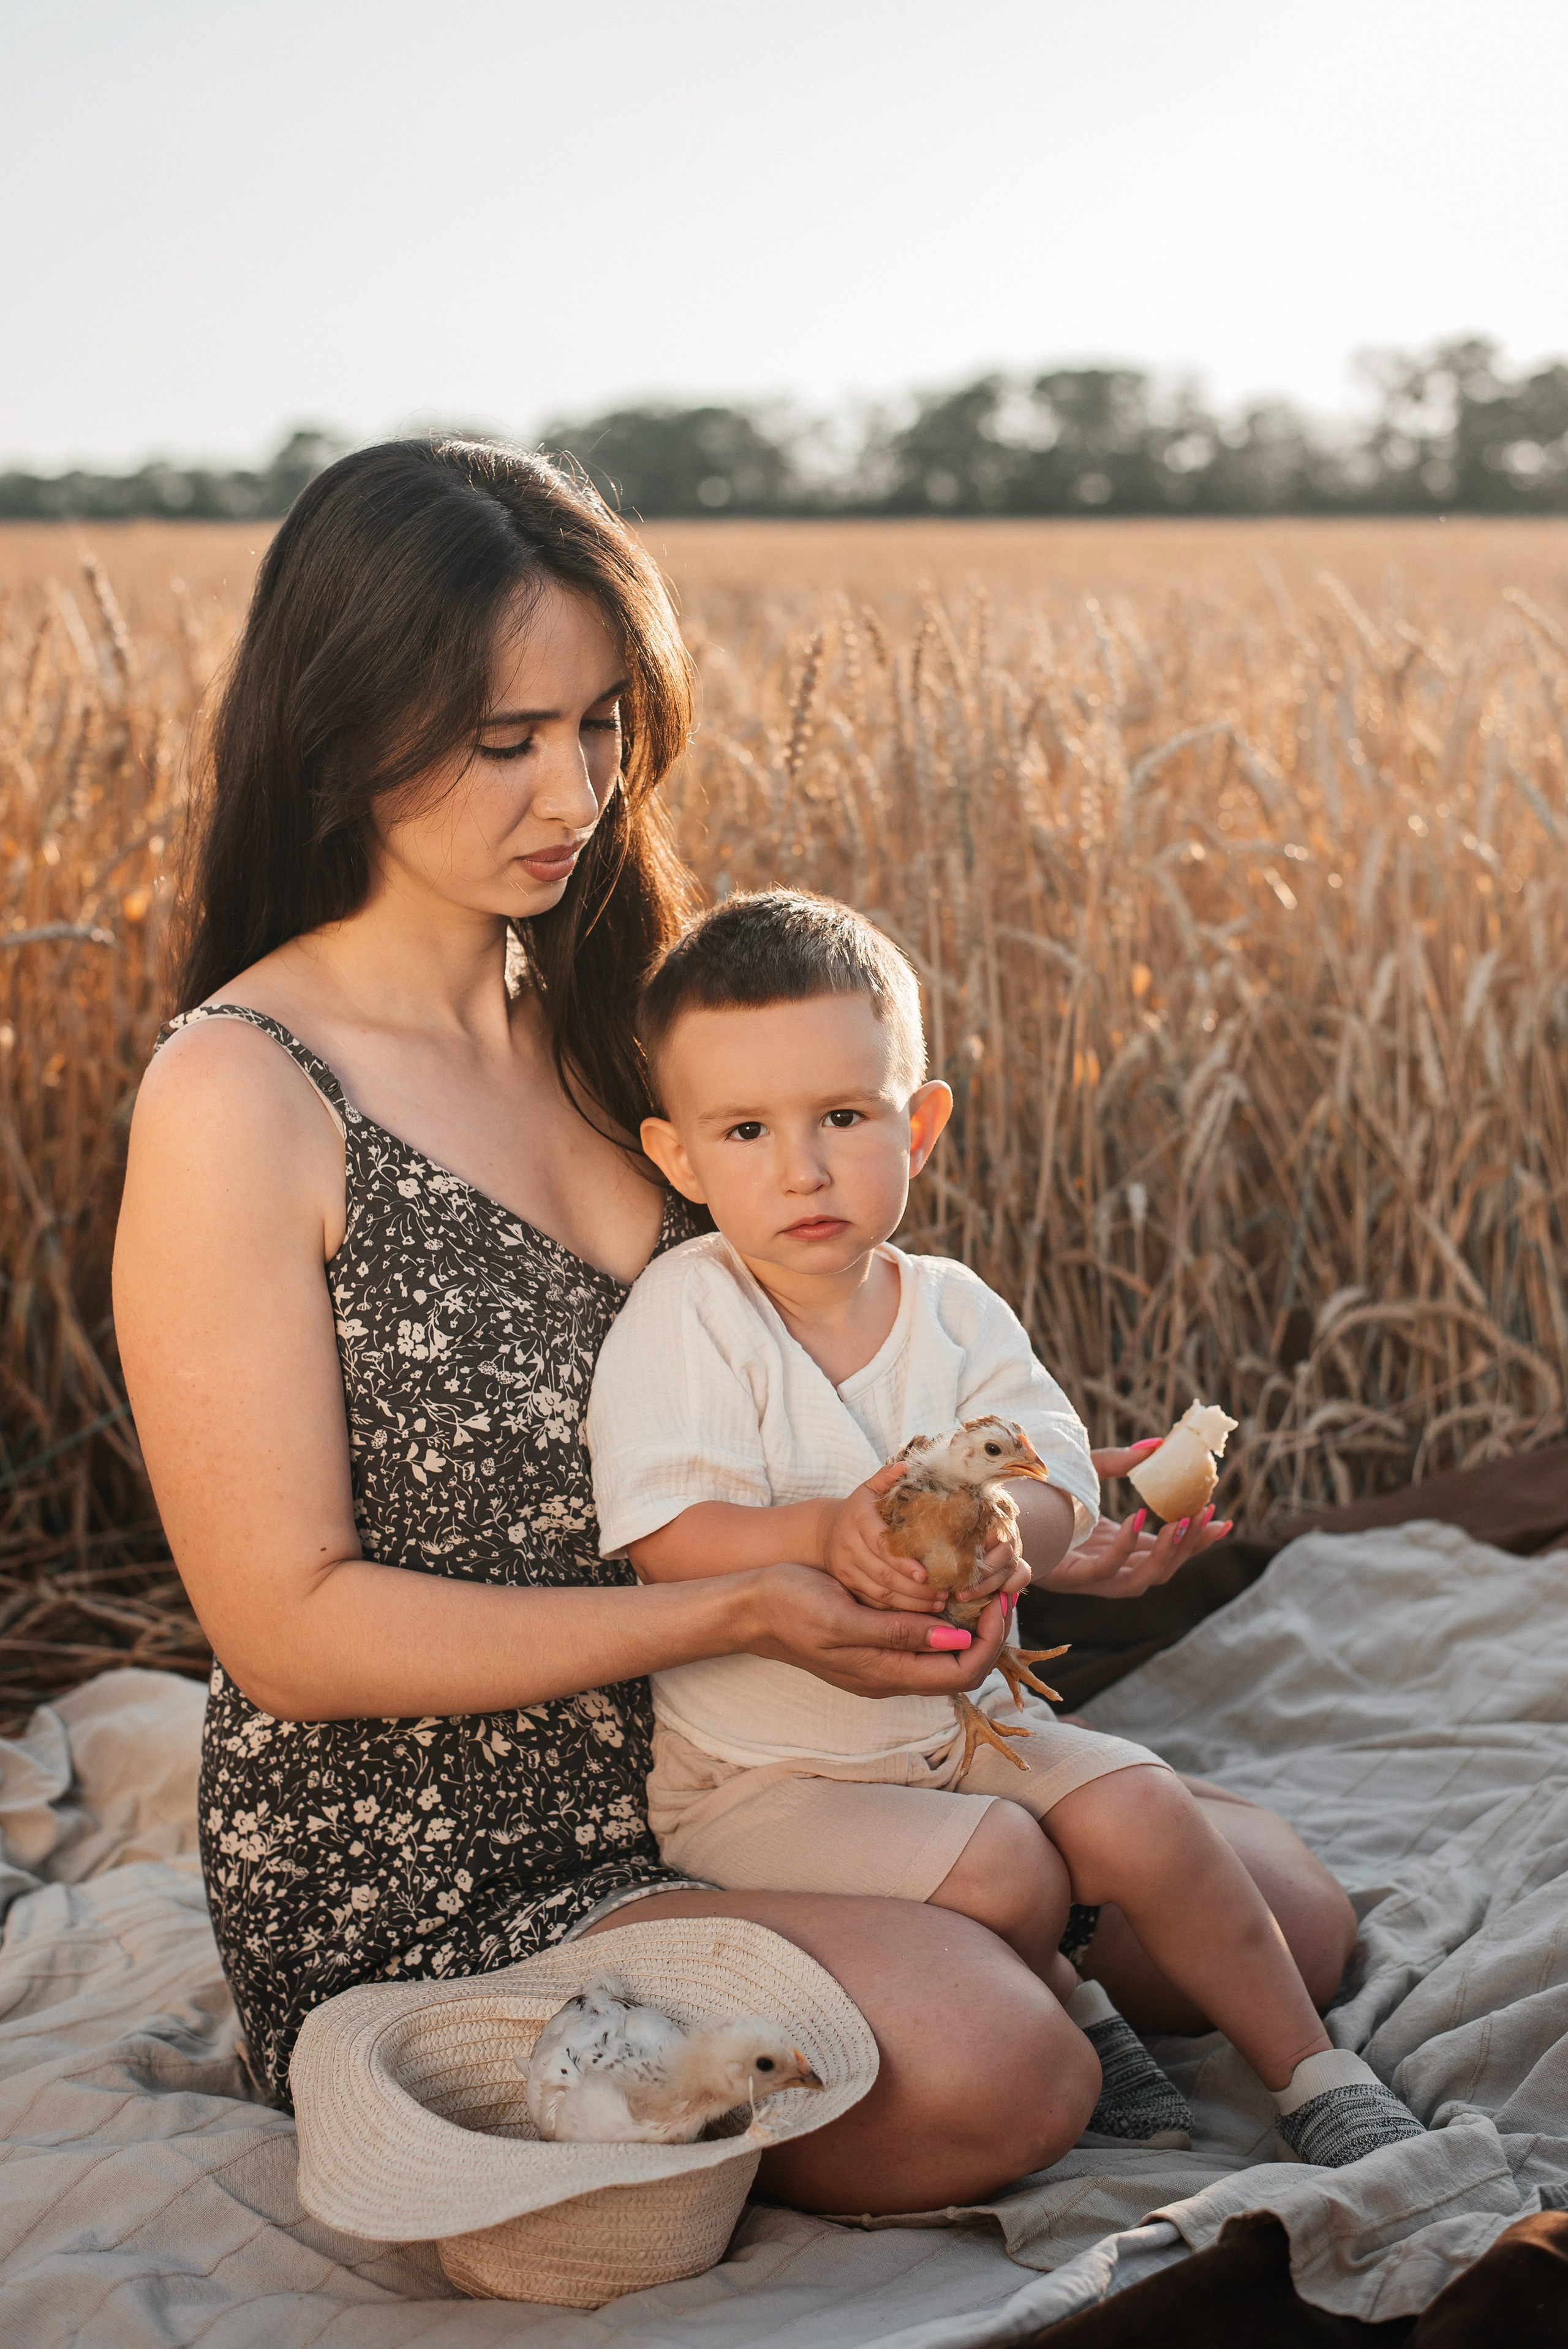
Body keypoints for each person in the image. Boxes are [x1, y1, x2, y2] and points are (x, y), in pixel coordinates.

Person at [113, 437, 1352, 2217]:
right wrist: (754, 1598)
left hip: (765, 1746)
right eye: (502, 740)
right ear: (345, 724)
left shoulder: (618, 1007)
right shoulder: (244, 1090)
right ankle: (493, 2056)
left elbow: (818, 1356)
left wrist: (1027, 1515)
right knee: (1012, 2071)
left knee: (1293, 1918)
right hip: (461, 1845)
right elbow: (288, 1631)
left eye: (604, 723)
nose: (576, 790)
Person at [585, 890, 1420, 2168]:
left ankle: (1310, 2072)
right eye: (746, 1130)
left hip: (967, 1719)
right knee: (1014, 1873)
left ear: (918, 1123)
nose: (801, 1168)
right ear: (679, 1158)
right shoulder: (689, 1317)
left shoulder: (955, 1310)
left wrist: (1009, 1534)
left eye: (843, 1118)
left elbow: (1051, 1477)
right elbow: (663, 1536)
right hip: (769, 1779)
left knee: (1142, 1805)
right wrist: (819, 1532)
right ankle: (1085, 2011)